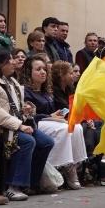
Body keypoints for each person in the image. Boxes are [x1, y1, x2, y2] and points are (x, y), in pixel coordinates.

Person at [0, 48, 54, 199]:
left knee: (46, 142)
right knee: (27, 141)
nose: (13, 62)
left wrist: (26, 109)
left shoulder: (10, 80)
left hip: (15, 122)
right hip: (2, 127)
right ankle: (13, 186)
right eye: (9, 60)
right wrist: (19, 125)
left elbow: (14, 105)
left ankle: (30, 183)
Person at [22, 54, 88, 190]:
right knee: (63, 129)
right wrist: (49, 115)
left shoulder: (46, 91)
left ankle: (73, 167)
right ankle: (61, 166)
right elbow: (28, 114)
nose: (43, 72)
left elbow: (53, 111)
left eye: (44, 69)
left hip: (48, 120)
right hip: (35, 122)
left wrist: (56, 114)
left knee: (76, 127)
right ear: (29, 72)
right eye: (38, 69)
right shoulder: (25, 91)